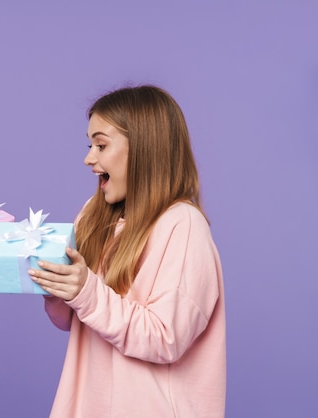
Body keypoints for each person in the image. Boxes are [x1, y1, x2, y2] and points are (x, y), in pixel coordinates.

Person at [28, 85, 226, 417]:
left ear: (145, 149)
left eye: (101, 145)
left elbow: (166, 338)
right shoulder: (95, 212)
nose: (89, 158)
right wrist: (54, 286)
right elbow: (70, 320)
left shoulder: (182, 225)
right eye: (90, 144)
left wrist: (85, 291)